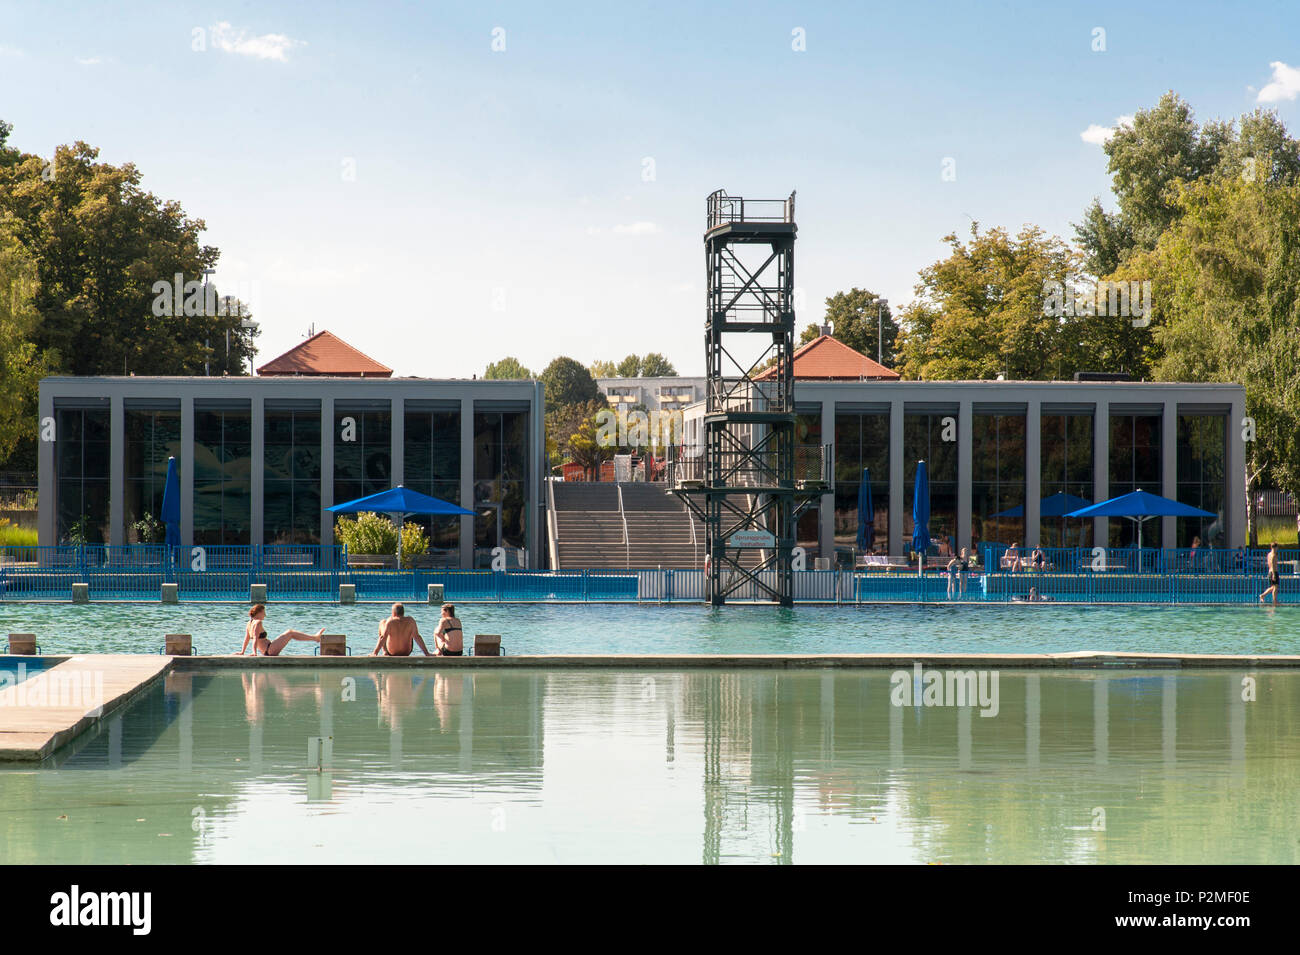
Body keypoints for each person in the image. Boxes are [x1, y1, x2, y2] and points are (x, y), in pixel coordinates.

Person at [238, 604, 323, 656]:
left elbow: (247, 639)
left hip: (267, 650)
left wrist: (242, 652)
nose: (265, 615)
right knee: (290, 632)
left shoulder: (249, 623)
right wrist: (254, 653)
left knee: (290, 633)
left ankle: (315, 638)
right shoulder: (258, 622)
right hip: (269, 650)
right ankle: (315, 638)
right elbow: (255, 638)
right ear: (259, 612)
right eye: (264, 613)